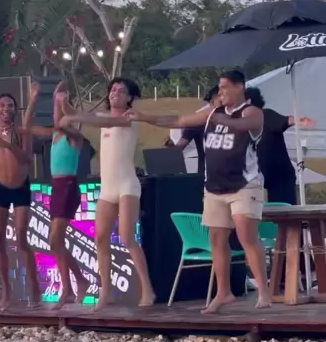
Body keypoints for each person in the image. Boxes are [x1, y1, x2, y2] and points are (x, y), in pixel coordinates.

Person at [131, 69, 271, 313]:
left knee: (246, 237)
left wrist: (219, 119)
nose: (220, 92)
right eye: (219, 88)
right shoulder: (212, 113)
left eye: (225, 87)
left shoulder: (251, 111)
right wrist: (145, 117)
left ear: (239, 87)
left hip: (244, 184)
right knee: (216, 239)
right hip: (214, 186)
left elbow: (245, 124)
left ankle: (264, 291)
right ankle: (223, 292)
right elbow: (178, 121)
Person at [60, 77, 155, 312]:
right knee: (100, 239)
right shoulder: (103, 118)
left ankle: (147, 289)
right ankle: (105, 293)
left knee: (127, 237)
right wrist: (61, 101)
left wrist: (73, 114)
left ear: (129, 98)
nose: (115, 94)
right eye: (112, 90)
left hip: (127, 186)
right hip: (108, 188)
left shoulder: (129, 118)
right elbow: (77, 114)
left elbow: (90, 119)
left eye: (121, 91)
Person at [0, 84, 40, 311]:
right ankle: (6, 291)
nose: (6, 109)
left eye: (10, 105)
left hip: (20, 186)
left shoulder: (21, 132)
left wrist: (6, 145)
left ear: (15, 109)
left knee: (21, 238)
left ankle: (34, 288)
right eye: (2, 105)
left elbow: (27, 158)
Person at [49, 82, 90, 309]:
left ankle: (72, 286)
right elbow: (57, 120)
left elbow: (62, 121)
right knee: (54, 242)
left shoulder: (75, 136)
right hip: (56, 186)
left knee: (56, 240)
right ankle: (72, 285)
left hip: (67, 186)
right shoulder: (57, 134)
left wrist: (63, 103)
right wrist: (56, 98)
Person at [245, 86, 315, 204]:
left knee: (282, 210)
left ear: (249, 102)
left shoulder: (266, 115)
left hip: (280, 176)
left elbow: (286, 120)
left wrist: (300, 120)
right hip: (256, 177)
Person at [166, 86, 218, 174]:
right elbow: (180, 147)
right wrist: (170, 147)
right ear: (212, 103)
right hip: (206, 175)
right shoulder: (197, 122)